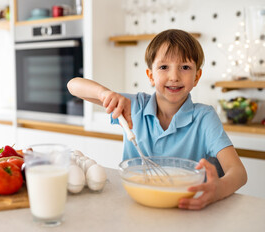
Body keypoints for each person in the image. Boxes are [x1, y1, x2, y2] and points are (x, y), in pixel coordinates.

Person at [67, 29, 247, 210]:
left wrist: (218, 190)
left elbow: (238, 172)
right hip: (138, 204)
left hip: (186, 209)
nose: (174, 76)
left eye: (185, 67)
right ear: (151, 76)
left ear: (197, 77)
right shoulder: (133, 106)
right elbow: (73, 85)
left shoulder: (204, 118)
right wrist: (104, 93)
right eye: (163, 67)